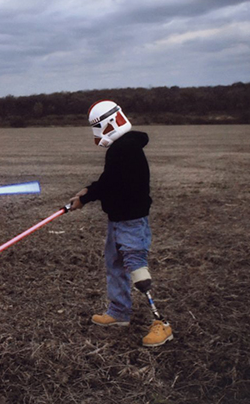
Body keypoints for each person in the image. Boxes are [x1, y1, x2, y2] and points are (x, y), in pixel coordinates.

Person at [68, 100, 173, 347]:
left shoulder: (123, 148)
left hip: (131, 221)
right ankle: (118, 313)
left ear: (108, 123)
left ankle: (162, 324)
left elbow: (110, 183)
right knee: (114, 265)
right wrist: (89, 191)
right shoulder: (123, 147)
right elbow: (110, 180)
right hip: (118, 220)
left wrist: (86, 197)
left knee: (137, 269)